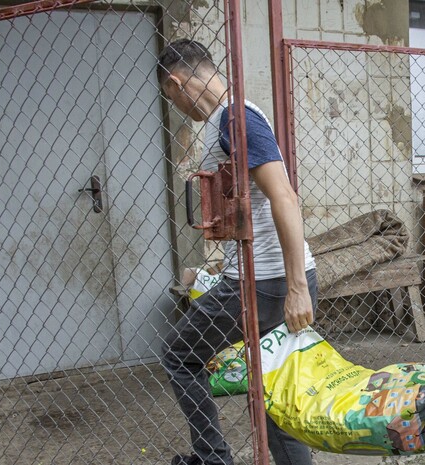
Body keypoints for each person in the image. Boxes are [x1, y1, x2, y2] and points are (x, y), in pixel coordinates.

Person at [157, 39, 318, 465]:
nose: (177, 109)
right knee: (269, 396)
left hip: (266, 282)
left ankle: (212, 458)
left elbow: (284, 196)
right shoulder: (226, 119)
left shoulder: (236, 118)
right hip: (265, 277)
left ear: (176, 82)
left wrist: (297, 287)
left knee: (179, 354)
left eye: (171, 98)